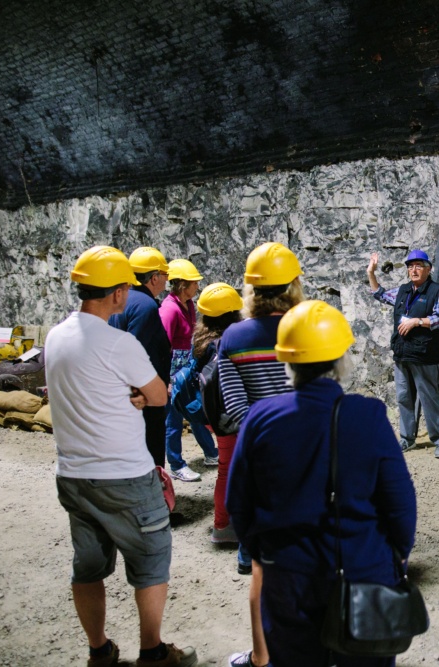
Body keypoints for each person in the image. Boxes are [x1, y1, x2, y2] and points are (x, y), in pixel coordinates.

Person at [227, 300, 417, 667]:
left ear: (287, 360)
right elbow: (400, 505)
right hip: (365, 572)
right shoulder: (368, 415)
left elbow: (240, 504)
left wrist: (268, 551)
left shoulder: (261, 418)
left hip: (289, 578)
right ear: (341, 359)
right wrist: (396, 558)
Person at [49, 246, 197, 667]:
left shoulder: (55, 336)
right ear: (117, 292)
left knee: (89, 567)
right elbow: (159, 395)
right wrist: (134, 393)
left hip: (74, 474)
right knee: (151, 561)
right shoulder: (120, 343)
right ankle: (152, 650)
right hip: (125, 476)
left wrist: (123, 392)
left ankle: (100, 650)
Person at [219, 241, 305, 667]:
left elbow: (234, 409)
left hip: (258, 461)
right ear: (293, 285)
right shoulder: (307, 329)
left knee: (261, 567)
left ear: (250, 290)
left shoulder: (233, 338)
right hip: (306, 458)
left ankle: (261, 657)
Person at [366, 248, 439, 458]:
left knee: (429, 397)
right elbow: (381, 294)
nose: (413, 270)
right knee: (403, 396)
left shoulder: (436, 291)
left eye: (418, 266)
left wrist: (417, 321)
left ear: (428, 269)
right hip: (402, 353)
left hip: (424, 355)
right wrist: (371, 273)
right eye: (410, 266)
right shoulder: (403, 291)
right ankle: (407, 438)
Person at [109, 246, 172, 468]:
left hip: (126, 390)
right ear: (154, 278)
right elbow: (137, 354)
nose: (167, 280)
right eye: (165, 275)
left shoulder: (124, 300)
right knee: (151, 446)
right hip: (144, 394)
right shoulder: (145, 306)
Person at [192, 282, 244, 545]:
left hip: (214, 416)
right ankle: (223, 525)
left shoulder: (202, 341)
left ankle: (225, 523)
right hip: (231, 417)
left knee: (226, 469)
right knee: (233, 470)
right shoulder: (226, 343)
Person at [160, 258, 218, 482]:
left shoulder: (189, 305)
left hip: (187, 364)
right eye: (194, 282)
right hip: (172, 366)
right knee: (173, 418)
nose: (197, 286)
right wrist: (166, 379)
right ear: (182, 284)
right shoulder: (169, 309)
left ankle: (211, 453)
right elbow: (162, 345)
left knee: (194, 408)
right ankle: (175, 464)